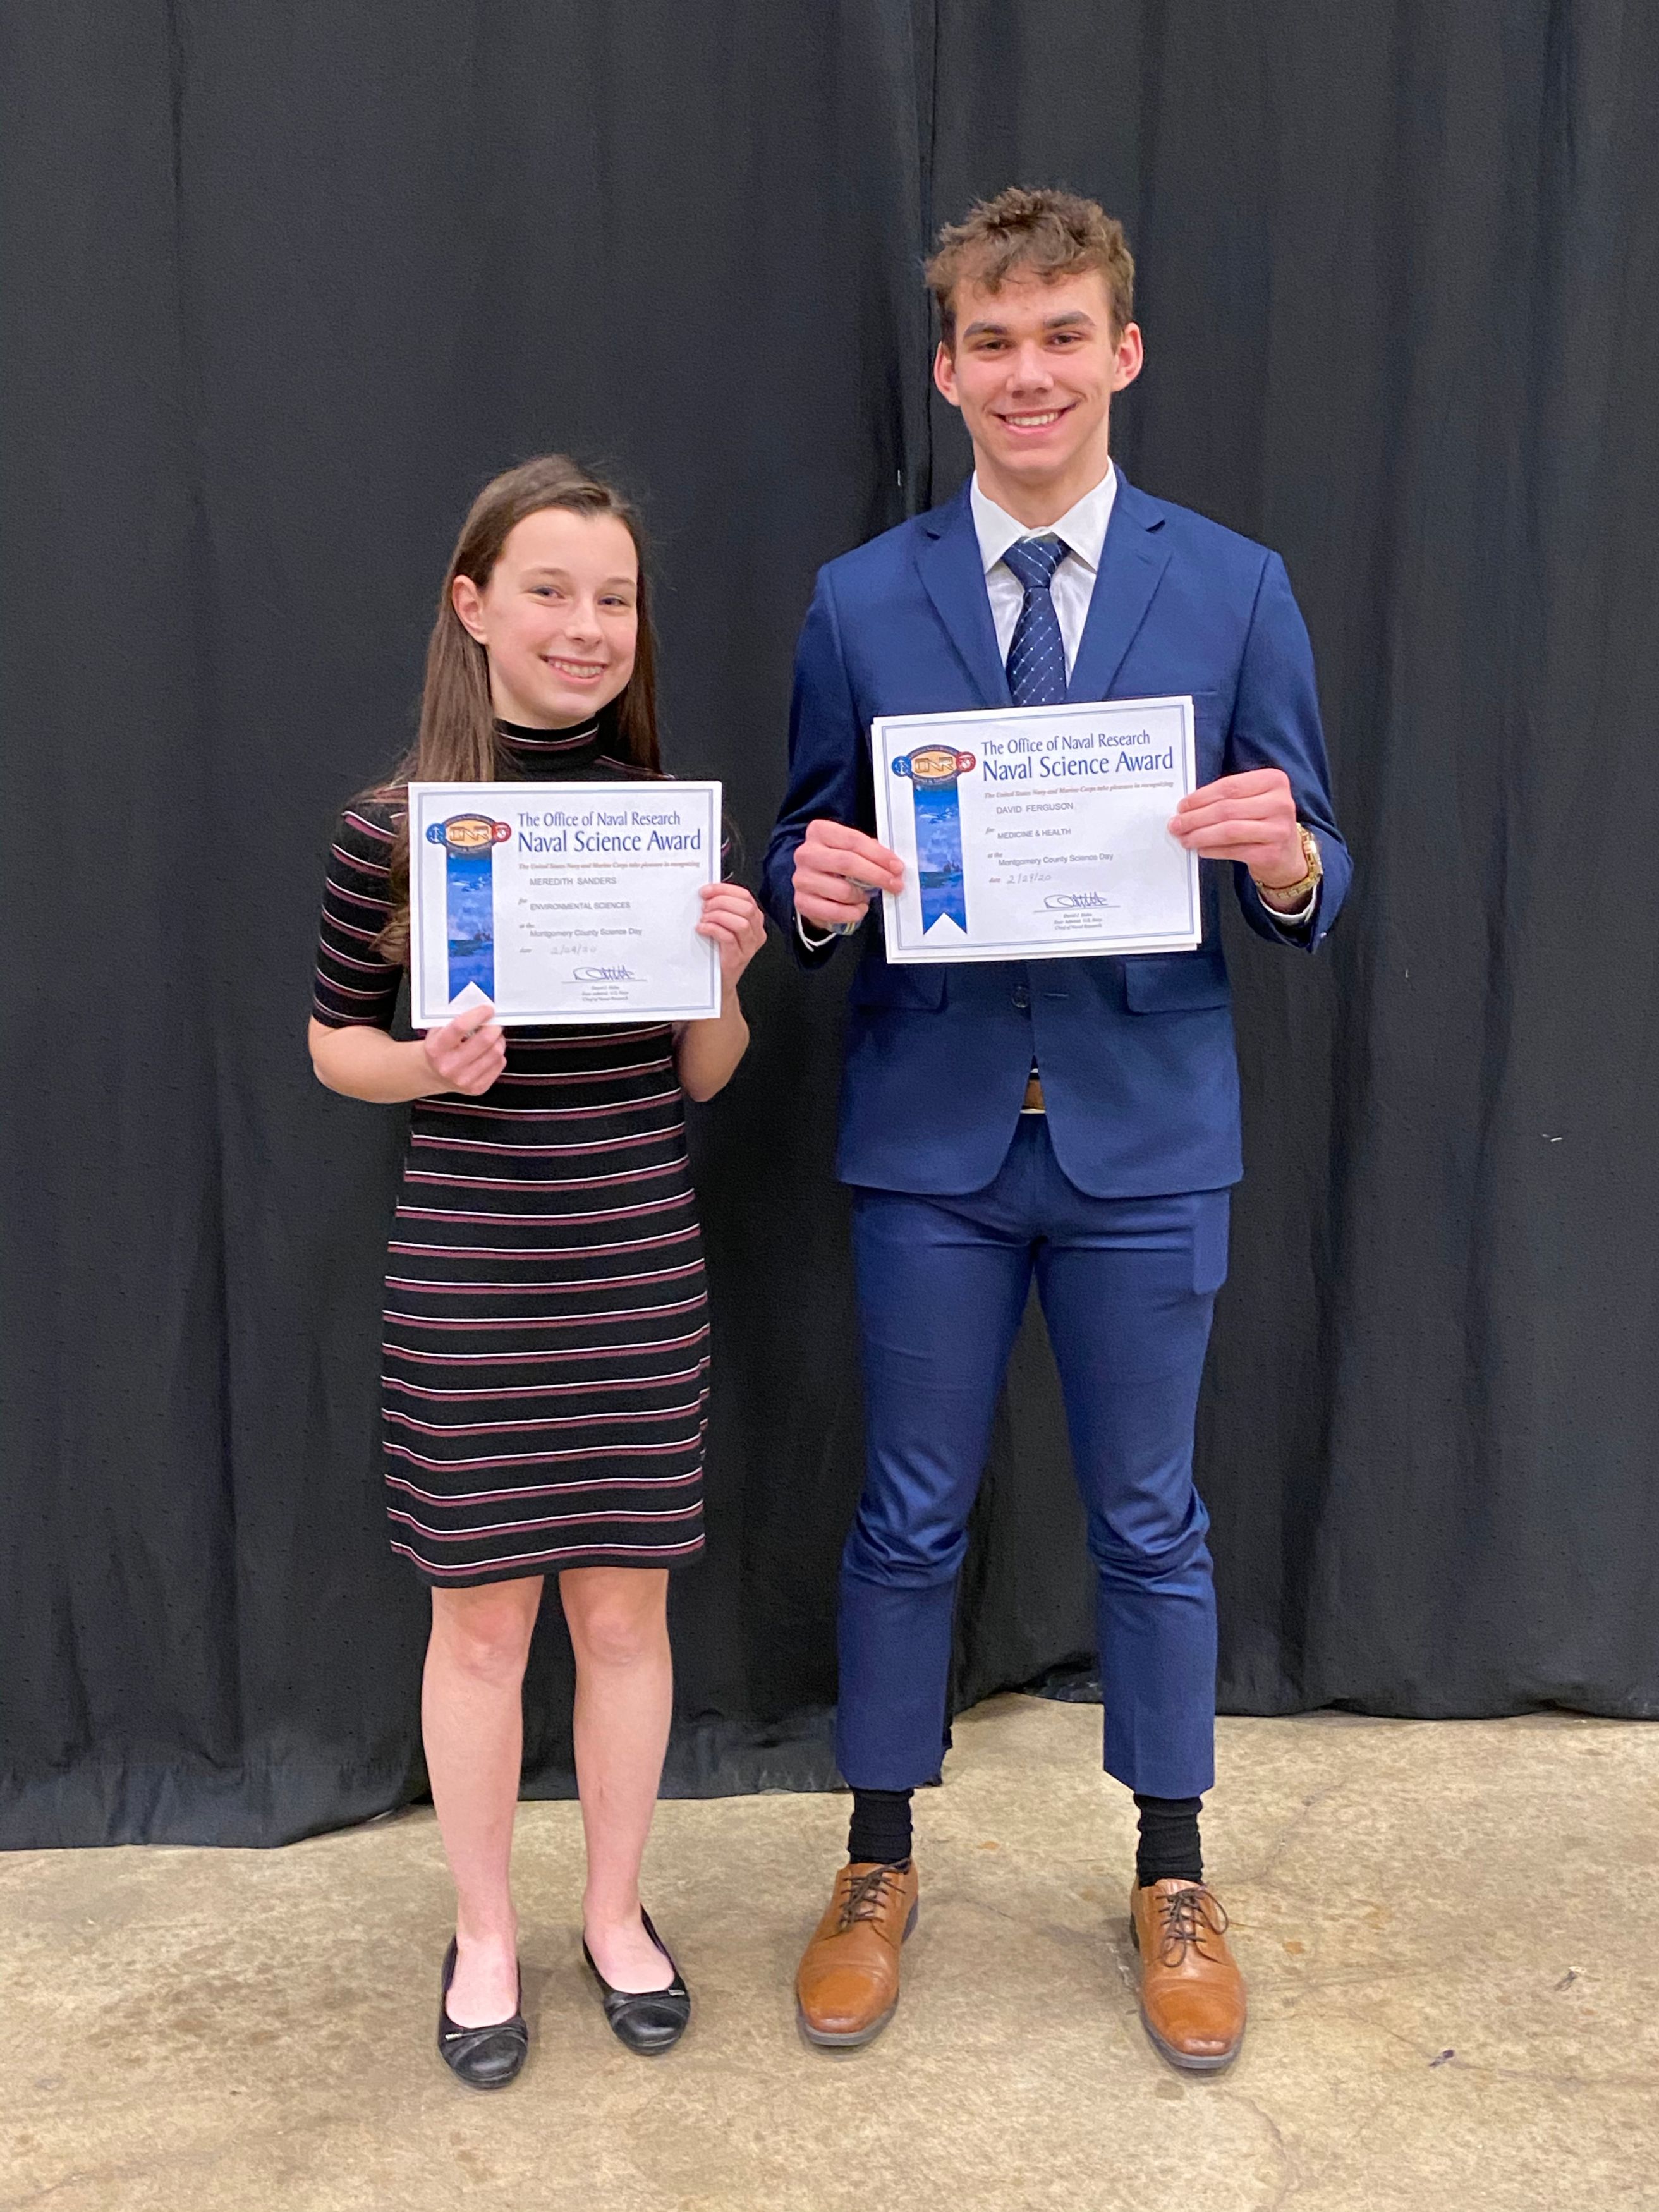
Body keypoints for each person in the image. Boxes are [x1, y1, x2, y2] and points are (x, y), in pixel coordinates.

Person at [762, 188, 1351, 2070]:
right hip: (930, 1130)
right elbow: (793, 842)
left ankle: (1169, 1868)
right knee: (908, 1513)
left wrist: (1281, 860)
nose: (1028, 374)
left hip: (1146, 1130)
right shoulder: (860, 600)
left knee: (1149, 1519)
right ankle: (874, 1857)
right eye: (992, 344)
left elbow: (1324, 865)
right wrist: (814, 886)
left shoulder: (1235, 584)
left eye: (1060, 336)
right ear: (948, 370)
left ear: (1122, 351)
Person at [309, 456, 765, 2087]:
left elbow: (706, 1076)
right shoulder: (395, 830)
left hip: (634, 1262)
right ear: (474, 604)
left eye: (616, 598)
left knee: (627, 1619)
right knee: (483, 1629)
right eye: (553, 590)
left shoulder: (668, 828)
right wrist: (427, 1065)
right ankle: (488, 1932)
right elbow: (327, 1046)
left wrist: (722, 969)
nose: (587, 627)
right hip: (474, 1280)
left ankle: (618, 1911)